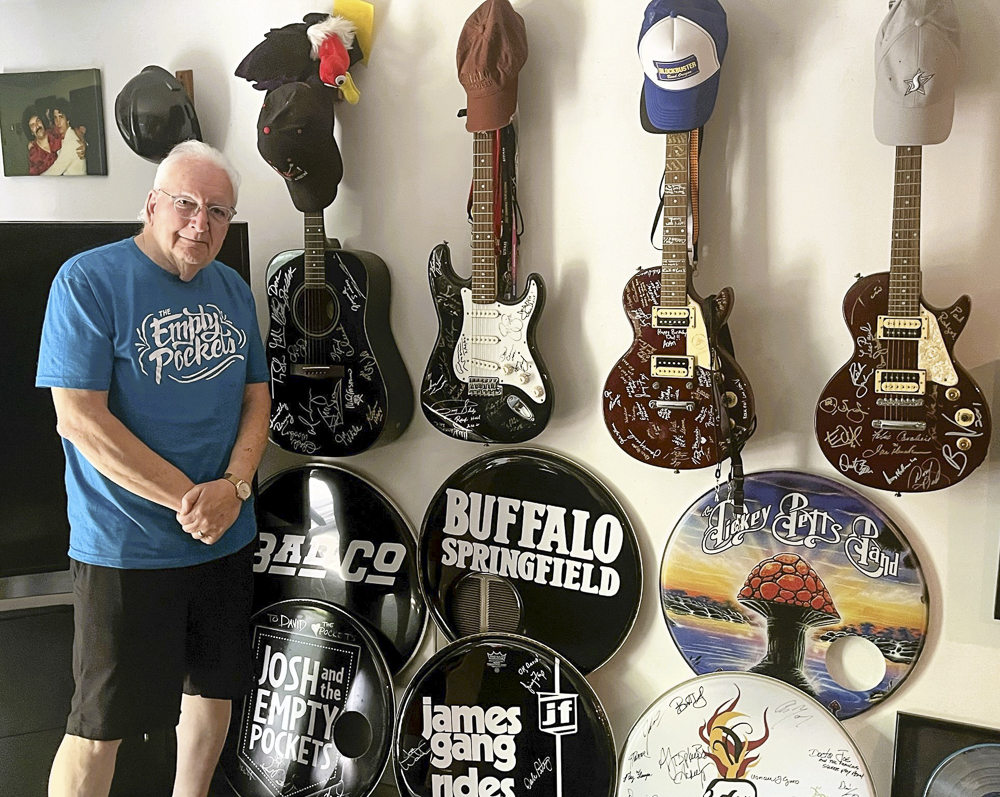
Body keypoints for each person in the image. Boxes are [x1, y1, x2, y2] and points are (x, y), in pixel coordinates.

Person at [36, 140, 270, 797]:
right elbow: (79, 418)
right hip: (125, 548)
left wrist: (237, 487)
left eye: (219, 211)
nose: (202, 224)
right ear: (152, 204)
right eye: (187, 205)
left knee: (212, 691)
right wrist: (195, 500)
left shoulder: (231, 288)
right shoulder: (88, 280)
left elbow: (258, 396)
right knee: (96, 726)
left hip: (226, 534)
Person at [40, 100, 87, 175]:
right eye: (55, 118)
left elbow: (55, 171)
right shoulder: (63, 136)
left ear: (67, 119)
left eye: (61, 117)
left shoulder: (71, 141)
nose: (58, 122)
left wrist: (35, 181)